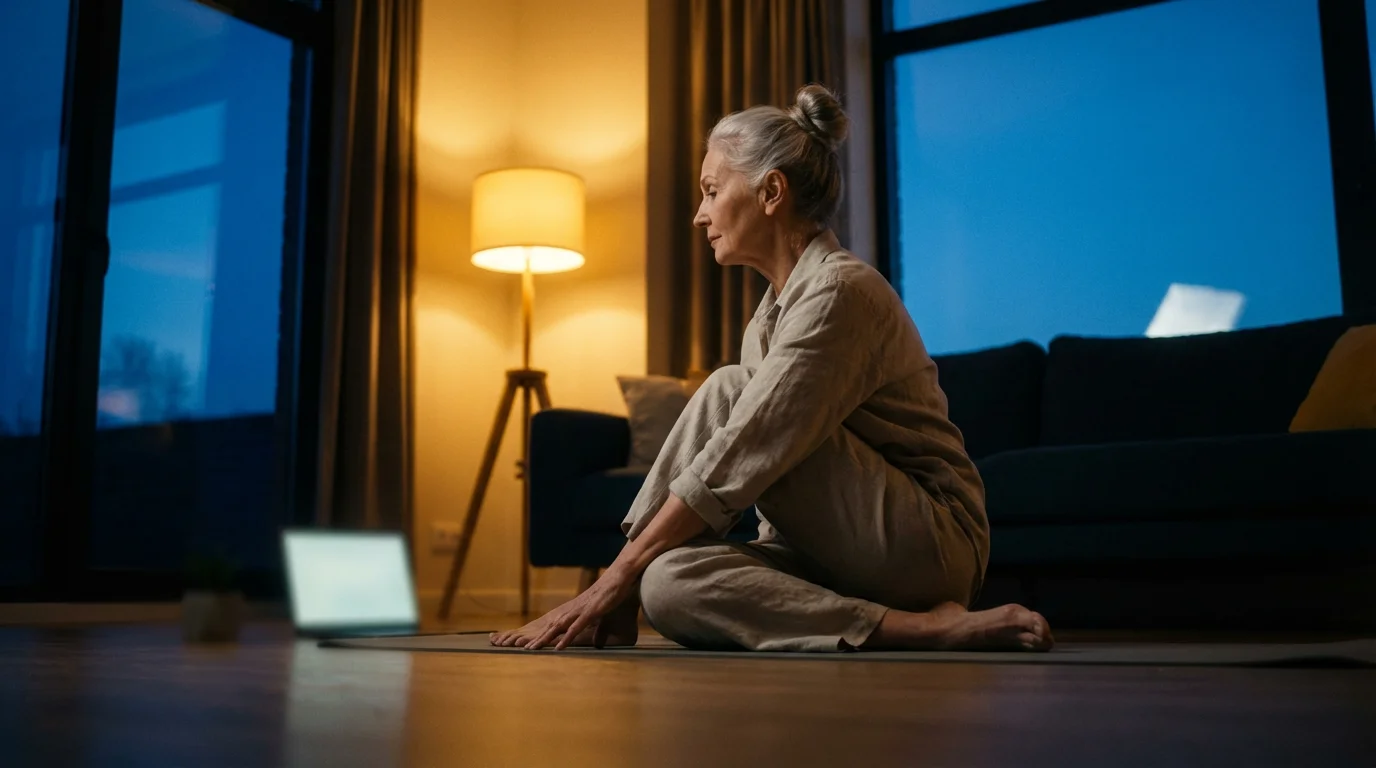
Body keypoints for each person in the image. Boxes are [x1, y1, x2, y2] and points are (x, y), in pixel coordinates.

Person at [490, 84, 1054, 653]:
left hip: (928, 546)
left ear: (771, 192)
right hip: (825, 552)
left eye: (712, 191)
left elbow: (746, 451)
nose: (699, 215)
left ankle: (932, 626)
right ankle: (641, 592)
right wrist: (638, 575)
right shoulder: (769, 316)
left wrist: (609, 580)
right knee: (668, 583)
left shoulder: (840, 292)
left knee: (730, 388)